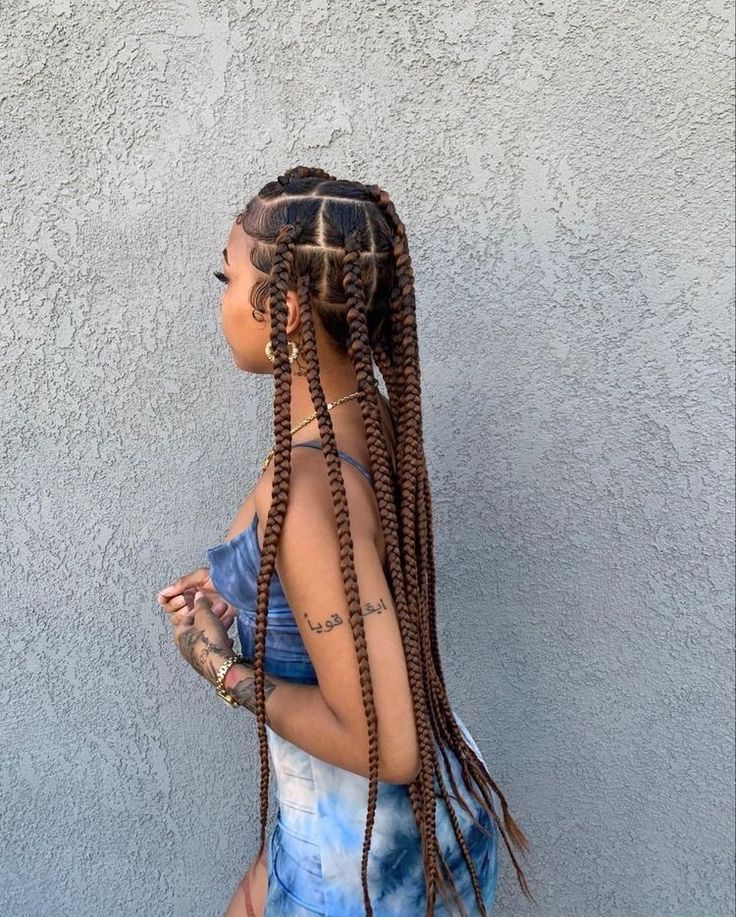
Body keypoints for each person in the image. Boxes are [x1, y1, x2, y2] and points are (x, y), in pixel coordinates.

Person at [156, 167, 534, 916]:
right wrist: (227, 574)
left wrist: (218, 669)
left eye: (224, 279)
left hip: (362, 863)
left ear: (285, 309)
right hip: (379, 821)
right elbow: (310, 555)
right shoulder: (359, 415)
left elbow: (387, 746)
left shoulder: (309, 490)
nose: (221, 301)